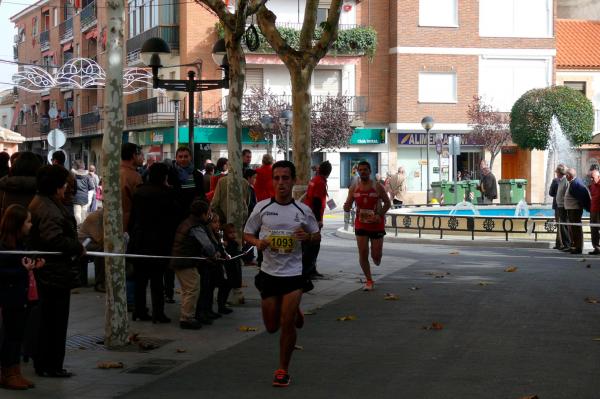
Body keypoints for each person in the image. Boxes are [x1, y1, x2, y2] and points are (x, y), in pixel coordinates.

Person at [243, 160, 320, 387]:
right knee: (271, 327)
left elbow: (316, 235)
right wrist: (258, 242)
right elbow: (247, 234)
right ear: (272, 181)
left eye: (285, 178)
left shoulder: (303, 210)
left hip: (294, 274)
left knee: (286, 324)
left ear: (293, 181)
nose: (281, 183)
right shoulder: (262, 208)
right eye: (277, 178)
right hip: (268, 273)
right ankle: (294, 311)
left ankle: (282, 370)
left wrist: (307, 237)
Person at [28, 165, 85, 378]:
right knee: (54, 321)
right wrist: (76, 246)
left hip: (51, 271)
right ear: (56, 186)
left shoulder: (44, 202)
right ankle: (50, 365)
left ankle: (46, 363)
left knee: (49, 320)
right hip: (53, 272)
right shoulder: (48, 208)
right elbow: (54, 239)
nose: (66, 190)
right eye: (64, 186)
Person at [128, 163, 180, 323]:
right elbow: (173, 219)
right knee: (157, 279)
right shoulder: (167, 194)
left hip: (140, 239)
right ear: (165, 176)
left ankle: (139, 310)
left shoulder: (140, 192)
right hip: (160, 241)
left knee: (140, 279)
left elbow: (133, 217)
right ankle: (158, 313)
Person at [0, 204, 44, 390]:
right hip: (10, 297)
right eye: (27, 221)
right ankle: (8, 373)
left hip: (20, 295)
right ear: (17, 224)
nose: (31, 224)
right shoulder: (4, 246)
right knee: (11, 336)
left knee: (17, 335)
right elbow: (4, 271)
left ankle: (15, 371)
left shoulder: (19, 243)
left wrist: (32, 265)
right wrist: (22, 269)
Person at [171, 199, 223, 327]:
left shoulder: (188, 222)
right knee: (192, 288)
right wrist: (214, 254)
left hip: (181, 259)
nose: (210, 215)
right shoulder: (196, 226)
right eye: (209, 212)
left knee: (187, 289)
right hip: (185, 261)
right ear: (203, 214)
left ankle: (187, 314)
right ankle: (187, 318)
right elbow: (207, 244)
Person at [343, 160, 391, 291]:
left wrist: (379, 215)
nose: (363, 171)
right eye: (361, 169)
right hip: (361, 224)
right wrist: (346, 207)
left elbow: (387, 203)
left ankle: (377, 257)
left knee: (376, 257)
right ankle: (369, 280)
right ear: (358, 171)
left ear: (370, 171)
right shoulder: (354, 187)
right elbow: (348, 204)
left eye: (365, 169)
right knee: (363, 253)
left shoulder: (377, 186)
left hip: (376, 224)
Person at [303, 160, 332, 279]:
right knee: (314, 245)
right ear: (329, 172)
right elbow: (317, 201)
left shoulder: (314, 180)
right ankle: (308, 271)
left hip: (308, 215)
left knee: (310, 244)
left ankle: (310, 269)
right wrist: (319, 220)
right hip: (313, 218)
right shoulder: (320, 182)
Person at [0, 151, 42, 219]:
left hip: (8, 227)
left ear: (15, 166)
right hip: (36, 228)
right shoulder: (44, 188)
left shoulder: (4, 184)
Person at [564, 168, 590, 254]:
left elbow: (583, 197)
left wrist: (584, 207)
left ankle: (578, 247)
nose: (565, 176)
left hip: (575, 210)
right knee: (573, 228)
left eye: (566, 175)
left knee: (576, 228)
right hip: (572, 209)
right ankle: (574, 246)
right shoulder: (573, 183)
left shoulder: (576, 183)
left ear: (569, 175)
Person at [78, 209, 105, 292]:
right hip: (85, 242)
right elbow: (99, 239)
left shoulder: (102, 216)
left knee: (103, 249)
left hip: (92, 242)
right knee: (102, 251)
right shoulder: (95, 217)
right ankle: (99, 283)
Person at [120, 143, 144, 233]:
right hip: (129, 225)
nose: (143, 158)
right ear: (134, 156)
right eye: (141, 155)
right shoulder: (135, 176)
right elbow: (140, 203)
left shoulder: (113, 172)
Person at [221, 223, 243, 313]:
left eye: (234, 232)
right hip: (229, 266)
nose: (233, 234)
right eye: (230, 233)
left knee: (236, 280)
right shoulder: (226, 244)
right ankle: (227, 299)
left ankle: (237, 297)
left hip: (235, 265)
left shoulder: (235, 243)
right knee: (229, 283)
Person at [71, 160, 94, 225]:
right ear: (83, 166)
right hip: (85, 198)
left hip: (76, 199)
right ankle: (83, 230)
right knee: (83, 215)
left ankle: (78, 229)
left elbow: (71, 188)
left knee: (77, 215)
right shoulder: (87, 176)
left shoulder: (73, 176)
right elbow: (91, 187)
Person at [555, 165, 571, 251]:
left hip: (564, 207)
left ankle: (567, 244)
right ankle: (565, 244)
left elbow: (566, 194)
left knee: (564, 225)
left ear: (560, 173)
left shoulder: (565, 181)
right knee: (562, 226)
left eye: (557, 172)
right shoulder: (560, 181)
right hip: (560, 206)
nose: (556, 174)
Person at [589, 169, 600, 255]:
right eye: (590, 178)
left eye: (593, 178)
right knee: (593, 230)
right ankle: (596, 248)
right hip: (593, 211)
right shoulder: (592, 185)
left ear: (598, 177)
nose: (591, 179)